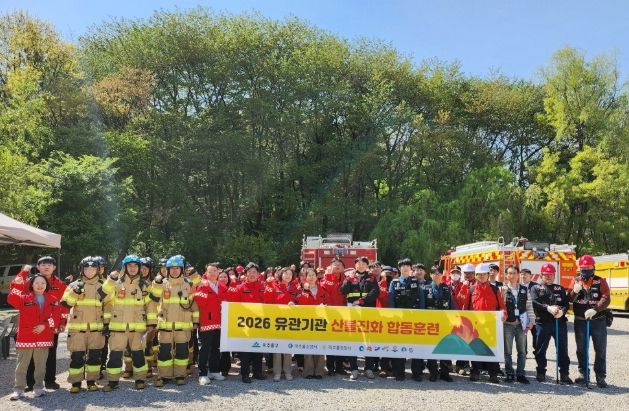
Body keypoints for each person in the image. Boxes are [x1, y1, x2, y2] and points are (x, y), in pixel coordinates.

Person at [100, 255, 158, 392]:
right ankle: (113, 381)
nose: (132, 268)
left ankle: (140, 380)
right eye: (129, 266)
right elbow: (102, 296)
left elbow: (150, 306)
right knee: (115, 355)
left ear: (139, 268)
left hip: (137, 328)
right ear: (124, 267)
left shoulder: (144, 285)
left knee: (138, 355)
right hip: (117, 327)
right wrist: (110, 280)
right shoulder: (115, 283)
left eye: (135, 266)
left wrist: (151, 323)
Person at [11, 256, 67, 391]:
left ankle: (49, 381)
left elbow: (64, 305)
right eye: (43, 264)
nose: (46, 267)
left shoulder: (60, 284)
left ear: (54, 267)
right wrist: (24, 272)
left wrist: (62, 322)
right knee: (29, 356)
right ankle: (30, 383)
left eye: (49, 264)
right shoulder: (30, 282)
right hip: (29, 327)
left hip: (50, 326)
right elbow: (14, 288)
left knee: (50, 354)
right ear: (38, 266)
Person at [151, 255, 199, 387]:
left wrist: (195, 321)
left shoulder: (188, 284)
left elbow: (194, 304)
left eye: (177, 268)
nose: (174, 271)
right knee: (164, 353)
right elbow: (153, 301)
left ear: (182, 270)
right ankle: (164, 376)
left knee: (182, 353)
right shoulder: (161, 284)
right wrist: (156, 283)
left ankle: (180, 376)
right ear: (167, 270)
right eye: (171, 268)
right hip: (165, 326)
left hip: (183, 327)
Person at [61, 257, 107, 393]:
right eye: (86, 268)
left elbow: (109, 305)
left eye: (93, 269)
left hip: (96, 329)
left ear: (97, 270)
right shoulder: (74, 285)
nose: (89, 271)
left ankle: (92, 381)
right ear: (82, 270)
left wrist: (107, 324)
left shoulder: (103, 285)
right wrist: (75, 292)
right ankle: (76, 383)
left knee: (94, 357)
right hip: (77, 329)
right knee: (76, 357)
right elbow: (65, 303)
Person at [458, 263, 506, 383]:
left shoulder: (495, 289)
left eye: (484, 274)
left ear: (488, 275)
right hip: (475, 325)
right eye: (479, 274)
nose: (481, 276)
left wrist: (504, 314)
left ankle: (493, 374)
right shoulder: (471, 289)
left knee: (492, 349)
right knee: (476, 348)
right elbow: (463, 304)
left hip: (491, 325)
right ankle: (475, 372)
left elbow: (502, 306)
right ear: (476, 275)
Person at [568, 255, 610, 388]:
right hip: (580, 321)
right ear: (579, 268)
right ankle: (583, 374)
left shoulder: (600, 281)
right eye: (583, 268)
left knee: (600, 349)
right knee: (581, 349)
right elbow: (568, 299)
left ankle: (600, 376)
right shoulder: (575, 280)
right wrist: (574, 292)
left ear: (593, 268)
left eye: (588, 267)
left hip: (598, 321)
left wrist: (595, 309)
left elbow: (606, 298)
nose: (586, 270)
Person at [530, 263, 572, 384]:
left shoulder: (560, 288)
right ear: (541, 275)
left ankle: (564, 373)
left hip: (559, 322)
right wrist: (548, 308)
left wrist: (562, 311)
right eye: (546, 274)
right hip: (543, 323)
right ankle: (541, 371)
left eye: (551, 274)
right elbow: (534, 302)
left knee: (562, 349)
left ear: (554, 275)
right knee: (540, 349)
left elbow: (565, 304)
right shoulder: (535, 288)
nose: (548, 277)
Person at [341, 256, 379, 380]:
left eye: (363, 263)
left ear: (367, 266)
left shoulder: (371, 278)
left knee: (368, 341)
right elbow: (343, 291)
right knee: (353, 340)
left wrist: (361, 301)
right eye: (358, 263)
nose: (361, 265)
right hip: (353, 314)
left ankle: (369, 369)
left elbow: (375, 292)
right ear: (355, 265)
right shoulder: (349, 277)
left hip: (368, 313)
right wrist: (349, 279)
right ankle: (354, 369)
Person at [229, 262, 266, 383]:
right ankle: (245, 374)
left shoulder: (263, 287)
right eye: (249, 272)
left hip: (260, 324)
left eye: (254, 272)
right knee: (245, 351)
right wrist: (233, 284)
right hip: (245, 325)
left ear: (258, 274)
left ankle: (257, 372)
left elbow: (269, 302)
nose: (252, 274)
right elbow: (232, 302)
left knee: (258, 349)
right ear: (245, 274)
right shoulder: (240, 288)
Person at [388, 258, 423, 381]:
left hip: (414, 319)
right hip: (399, 319)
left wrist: (422, 315)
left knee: (416, 346)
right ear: (399, 268)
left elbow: (421, 299)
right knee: (399, 346)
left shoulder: (416, 282)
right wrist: (393, 316)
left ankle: (417, 373)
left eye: (407, 266)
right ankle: (399, 372)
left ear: (410, 268)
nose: (405, 268)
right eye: (403, 266)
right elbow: (391, 300)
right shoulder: (394, 282)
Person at [500, 264, 535, 384]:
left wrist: (531, 322)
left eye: (514, 273)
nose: (512, 275)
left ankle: (520, 374)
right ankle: (509, 373)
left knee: (522, 351)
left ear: (518, 275)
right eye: (509, 273)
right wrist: (503, 294)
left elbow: (529, 307)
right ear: (506, 275)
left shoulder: (525, 289)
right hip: (507, 325)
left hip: (521, 324)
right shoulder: (502, 289)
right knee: (507, 351)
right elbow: (500, 306)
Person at [194, 262, 228, 385]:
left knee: (216, 348)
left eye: (215, 271)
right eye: (210, 271)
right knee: (205, 348)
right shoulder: (202, 286)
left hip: (219, 322)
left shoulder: (223, 287)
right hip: (206, 322)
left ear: (218, 272)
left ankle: (214, 371)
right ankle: (202, 373)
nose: (213, 273)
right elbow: (200, 303)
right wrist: (204, 289)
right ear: (206, 273)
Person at [420, 266, 454, 382]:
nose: (437, 275)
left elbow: (451, 305)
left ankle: (445, 372)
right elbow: (422, 307)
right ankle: (433, 371)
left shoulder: (447, 288)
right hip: (431, 323)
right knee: (432, 346)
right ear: (430, 275)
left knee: (445, 347)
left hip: (445, 322)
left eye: (439, 273)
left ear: (442, 274)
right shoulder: (425, 288)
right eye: (434, 273)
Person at [264, 267, 298, 381]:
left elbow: (300, 299)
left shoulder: (295, 288)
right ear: (280, 275)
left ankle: (288, 371)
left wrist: (294, 302)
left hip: (290, 322)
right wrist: (269, 285)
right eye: (285, 273)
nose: (288, 276)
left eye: (290, 274)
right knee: (277, 348)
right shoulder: (274, 286)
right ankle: (277, 372)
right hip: (277, 321)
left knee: (288, 347)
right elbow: (267, 299)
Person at [298, 268, 330, 379]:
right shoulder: (302, 289)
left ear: (317, 277)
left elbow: (328, 302)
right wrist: (306, 291)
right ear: (305, 277)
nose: (311, 277)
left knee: (320, 345)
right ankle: (308, 371)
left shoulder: (323, 289)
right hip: (307, 322)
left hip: (320, 321)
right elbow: (302, 303)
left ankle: (319, 371)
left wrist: (325, 306)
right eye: (309, 275)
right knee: (308, 346)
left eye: (313, 275)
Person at [319, 258, 347, 376]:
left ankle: (340, 367)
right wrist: (330, 276)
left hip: (343, 314)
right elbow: (325, 289)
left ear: (343, 268)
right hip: (329, 314)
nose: (337, 266)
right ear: (330, 267)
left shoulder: (346, 279)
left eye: (340, 264)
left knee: (341, 341)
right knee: (330, 341)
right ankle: (330, 367)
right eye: (335, 264)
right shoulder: (325, 279)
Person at [453, 262, 476, 376]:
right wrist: (465, 288)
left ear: (474, 273)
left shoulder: (478, 284)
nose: (468, 275)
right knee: (462, 341)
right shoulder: (460, 285)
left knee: (474, 341)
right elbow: (458, 300)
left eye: (470, 273)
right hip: (463, 317)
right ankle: (460, 365)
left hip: (475, 317)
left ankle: (475, 367)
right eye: (466, 273)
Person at [519, 268, 538, 355]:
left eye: (525, 274)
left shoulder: (536, 286)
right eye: (522, 274)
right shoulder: (518, 286)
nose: (523, 276)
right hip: (522, 315)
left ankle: (537, 352)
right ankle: (524, 352)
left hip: (535, 314)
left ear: (530, 276)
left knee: (536, 334)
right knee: (523, 335)